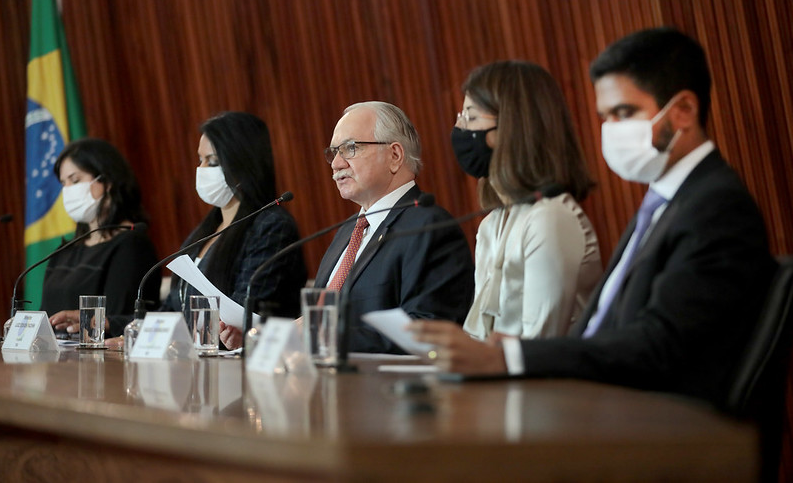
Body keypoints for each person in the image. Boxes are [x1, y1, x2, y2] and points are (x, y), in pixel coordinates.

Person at [411, 27, 777, 408]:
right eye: (605, 116)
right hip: (598, 404)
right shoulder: (665, 202)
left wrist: (511, 357)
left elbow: (658, 345)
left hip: (654, 429)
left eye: (624, 112)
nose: (612, 131)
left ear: (683, 111)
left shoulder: (717, 207)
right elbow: (605, 330)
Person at [451, 60, 602, 340]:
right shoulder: (491, 224)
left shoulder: (550, 217)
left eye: (470, 117)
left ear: (512, 126)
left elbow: (539, 345)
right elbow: (480, 335)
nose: (459, 128)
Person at [316, 101, 475, 353]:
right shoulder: (348, 230)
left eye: (349, 148)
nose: (336, 164)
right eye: (334, 152)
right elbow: (315, 320)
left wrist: (327, 338)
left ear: (395, 156)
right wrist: (259, 337)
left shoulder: (429, 227)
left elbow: (427, 331)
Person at [165, 112, 307, 345]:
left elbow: (244, 309)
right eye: (200, 159)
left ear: (241, 163)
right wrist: (132, 331)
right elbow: (173, 306)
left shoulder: (271, 226)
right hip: (194, 360)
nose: (201, 169)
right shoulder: (207, 228)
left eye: (212, 161)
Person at [46, 138, 160, 338]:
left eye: (75, 180)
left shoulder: (131, 245)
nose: (68, 191)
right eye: (64, 183)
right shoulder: (64, 252)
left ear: (106, 181)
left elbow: (123, 320)